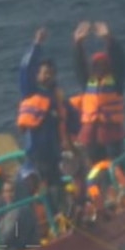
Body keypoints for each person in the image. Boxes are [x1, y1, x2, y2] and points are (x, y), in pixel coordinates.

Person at [17, 27, 80, 211]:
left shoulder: (58, 99)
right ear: (38, 75)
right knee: (32, 187)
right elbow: (25, 69)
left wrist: (79, 141)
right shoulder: (30, 92)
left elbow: (73, 121)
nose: (47, 76)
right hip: (35, 153)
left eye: (50, 72)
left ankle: (62, 219)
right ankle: (36, 224)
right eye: (44, 72)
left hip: (53, 154)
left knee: (56, 187)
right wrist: (36, 45)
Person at [71, 21, 125, 166]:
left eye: (103, 64)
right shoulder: (88, 83)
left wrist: (109, 39)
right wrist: (78, 44)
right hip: (91, 135)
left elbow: (121, 62)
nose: (99, 67)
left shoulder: (116, 83)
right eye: (96, 65)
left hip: (111, 135)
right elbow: (79, 66)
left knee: (115, 167)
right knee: (92, 168)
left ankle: (120, 188)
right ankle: (94, 189)